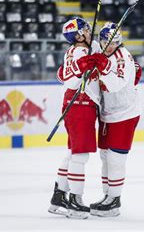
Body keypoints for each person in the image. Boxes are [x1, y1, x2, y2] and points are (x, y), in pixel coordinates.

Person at [48, 17, 101, 219]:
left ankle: (59, 197)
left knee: (72, 152)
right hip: (80, 104)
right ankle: (75, 202)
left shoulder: (76, 50)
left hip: (77, 104)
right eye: (86, 29)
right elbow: (70, 78)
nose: (89, 31)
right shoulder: (80, 52)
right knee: (80, 155)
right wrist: (84, 66)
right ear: (78, 36)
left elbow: (61, 75)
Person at [88, 22, 142, 217]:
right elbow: (91, 47)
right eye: (105, 42)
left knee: (116, 158)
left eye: (114, 43)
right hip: (107, 113)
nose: (109, 46)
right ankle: (107, 196)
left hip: (125, 113)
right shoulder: (102, 49)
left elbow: (115, 84)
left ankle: (114, 201)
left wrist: (101, 65)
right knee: (104, 157)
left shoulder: (122, 57)